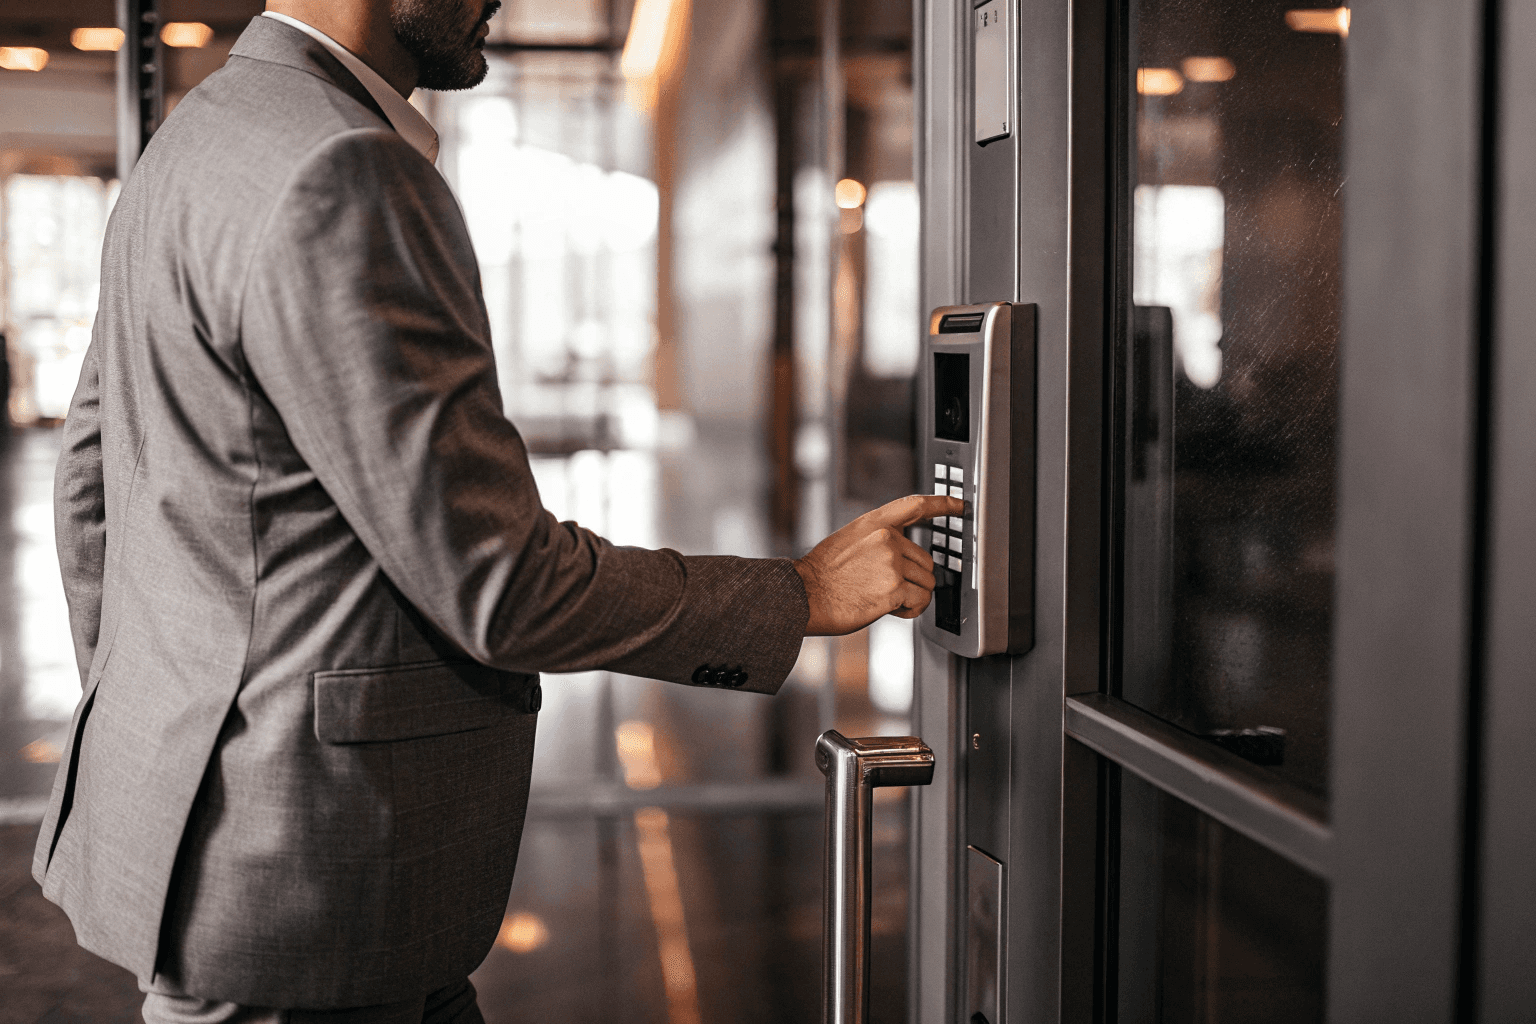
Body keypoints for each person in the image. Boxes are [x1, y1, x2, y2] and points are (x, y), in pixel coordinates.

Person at [32, 1, 959, 1021]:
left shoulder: (196, 137)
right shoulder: (344, 169)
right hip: (317, 893)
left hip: (237, 873)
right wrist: (798, 593)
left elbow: (91, 493)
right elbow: (501, 583)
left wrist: (175, 736)